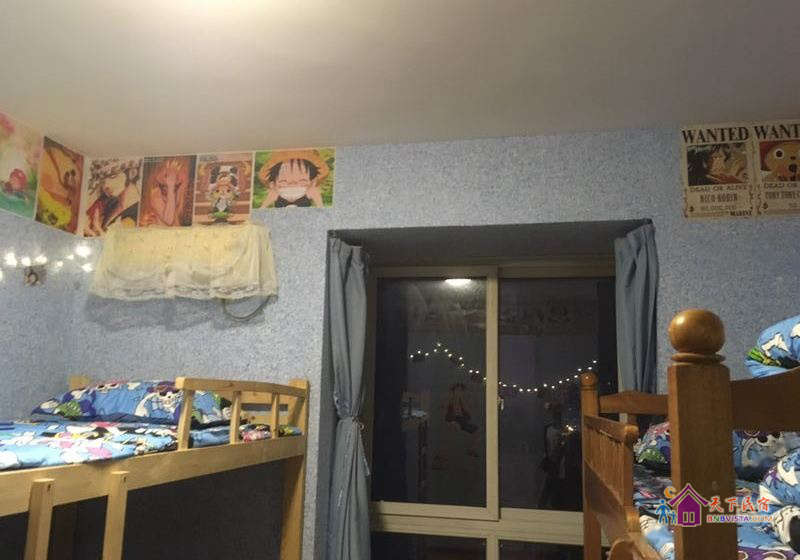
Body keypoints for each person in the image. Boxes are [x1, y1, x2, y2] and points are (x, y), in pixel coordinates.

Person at [257, 150, 329, 208]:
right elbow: (261, 211)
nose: (292, 183)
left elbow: (322, 211)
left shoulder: (311, 192)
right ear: (273, 184)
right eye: (283, 181)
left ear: (312, 182)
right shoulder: (274, 194)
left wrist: (318, 201)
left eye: (302, 181)